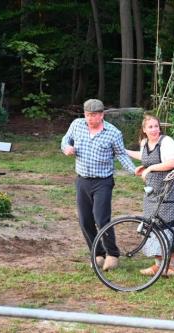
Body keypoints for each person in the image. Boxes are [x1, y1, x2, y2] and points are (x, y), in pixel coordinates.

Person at [61, 99, 136, 271]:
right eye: (87, 115)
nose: (89, 118)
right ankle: (97, 253)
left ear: (101, 115)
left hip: (103, 181)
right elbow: (65, 140)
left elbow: (121, 155)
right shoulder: (77, 125)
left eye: (93, 115)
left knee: (101, 219)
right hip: (82, 180)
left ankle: (112, 254)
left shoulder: (113, 133)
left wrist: (135, 171)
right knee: (85, 220)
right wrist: (66, 147)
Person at [126, 114, 174, 276]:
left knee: (170, 226)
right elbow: (144, 156)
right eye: (150, 127)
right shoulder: (145, 143)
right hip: (153, 191)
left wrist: (150, 168)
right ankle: (159, 264)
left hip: (170, 190)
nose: (154, 129)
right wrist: (127, 153)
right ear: (144, 130)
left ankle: (173, 266)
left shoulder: (167, 142)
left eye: (156, 126)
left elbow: (172, 162)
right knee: (152, 225)